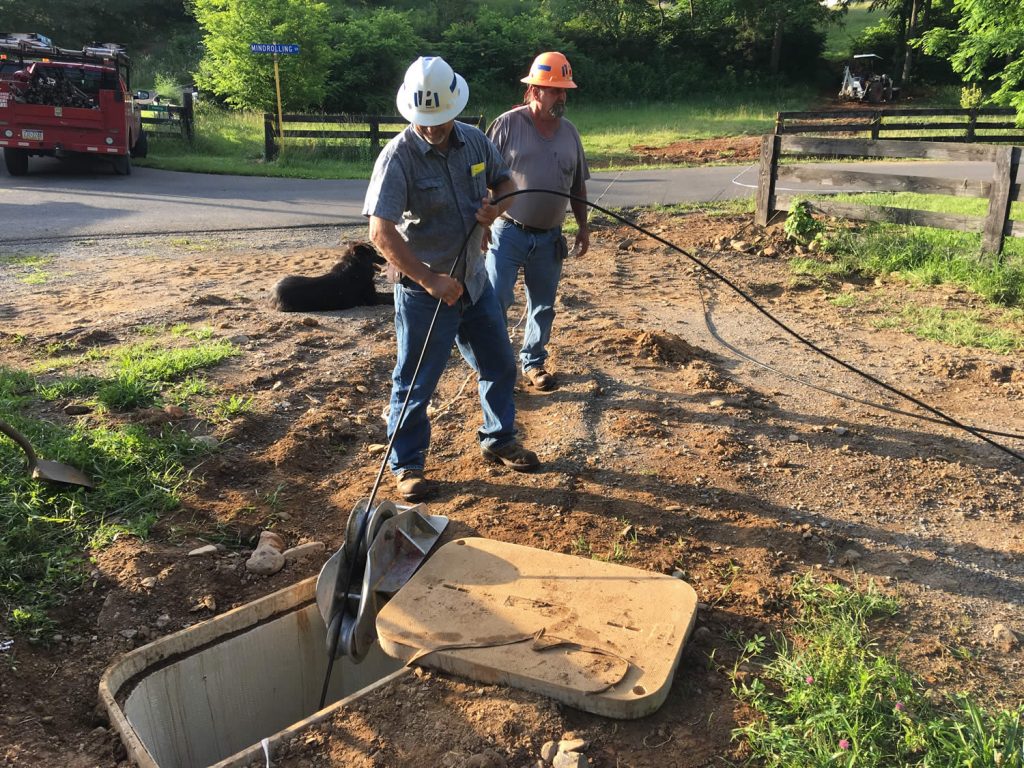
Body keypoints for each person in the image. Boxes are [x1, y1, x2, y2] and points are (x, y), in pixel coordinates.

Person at [363, 56, 540, 502]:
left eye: (441, 120)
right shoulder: (397, 158)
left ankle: (499, 438)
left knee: (499, 363)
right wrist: (428, 279)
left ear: (454, 109)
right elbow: (380, 233)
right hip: (426, 293)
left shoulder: (476, 142)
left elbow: (507, 185)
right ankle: (407, 466)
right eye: (425, 121)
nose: (433, 129)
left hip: (475, 284)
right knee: (415, 382)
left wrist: (495, 209)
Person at [484, 51, 590, 392]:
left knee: (543, 305)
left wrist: (584, 227)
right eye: (554, 90)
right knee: (497, 299)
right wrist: (482, 222)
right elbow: (482, 178)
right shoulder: (507, 125)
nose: (560, 97)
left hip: (549, 238)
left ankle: (533, 362)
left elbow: (578, 185)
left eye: (564, 91)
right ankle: (499, 367)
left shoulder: (571, 133)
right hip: (508, 231)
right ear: (534, 90)